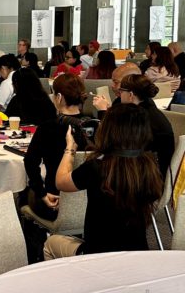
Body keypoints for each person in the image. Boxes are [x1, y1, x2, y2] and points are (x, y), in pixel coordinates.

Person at [44, 104, 162, 259]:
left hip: (98, 255)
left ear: (108, 130)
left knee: (50, 244)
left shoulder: (98, 165)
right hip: (137, 254)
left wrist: (70, 149)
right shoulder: (150, 165)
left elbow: (61, 182)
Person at [23, 73, 90, 225]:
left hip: (54, 199)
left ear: (58, 97)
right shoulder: (93, 126)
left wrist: (42, 193)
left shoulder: (47, 128)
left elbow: (30, 162)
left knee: (26, 193)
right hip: (89, 207)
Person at [113, 74, 174, 182]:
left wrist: (103, 112)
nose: (119, 94)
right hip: (160, 170)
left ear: (131, 95)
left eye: (121, 91)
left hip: (149, 176)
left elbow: (118, 143)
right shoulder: (149, 108)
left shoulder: (138, 117)